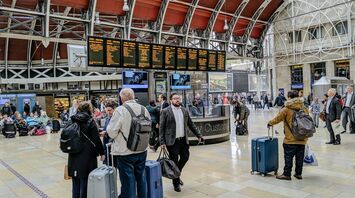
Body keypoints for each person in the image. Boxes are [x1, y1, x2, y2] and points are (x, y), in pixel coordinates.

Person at [107, 88, 151, 198]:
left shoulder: (120, 110)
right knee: (141, 179)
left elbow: (111, 132)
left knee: (128, 182)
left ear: (121, 98)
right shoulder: (144, 109)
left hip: (125, 152)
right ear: (133, 96)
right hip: (142, 149)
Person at [159, 93, 203, 192]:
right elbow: (161, 128)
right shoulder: (165, 111)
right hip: (172, 142)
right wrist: (162, 142)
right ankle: (176, 183)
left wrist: (198, 135)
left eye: (179, 98)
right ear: (171, 100)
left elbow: (191, 124)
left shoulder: (184, 110)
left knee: (185, 157)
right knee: (173, 162)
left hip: (183, 140)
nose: (177, 100)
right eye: (175, 98)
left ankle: (176, 175)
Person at [267, 90, 309, 180]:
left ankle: (287, 174)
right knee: (299, 157)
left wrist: (270, 123)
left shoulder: (286, 109)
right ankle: (298, 174)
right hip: (302, 138)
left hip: (290, 138)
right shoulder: (304, 107)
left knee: (288, 157)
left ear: (289, 97)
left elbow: (277, 119)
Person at [68, 101, 105, 198]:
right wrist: (102, 152)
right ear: (89, 109)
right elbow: (96, 139)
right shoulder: (90, 121)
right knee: (86, 181)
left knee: (76, 181)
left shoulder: (72, 119)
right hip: (87, 156)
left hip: (74, 155)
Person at [100, 99, 117, 166]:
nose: (108, 112)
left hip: (114, 147)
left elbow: (116, 131)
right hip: (107, 146)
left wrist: (106, 132)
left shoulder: (117, 118)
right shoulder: (108, 118)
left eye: (110, 110)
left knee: (114, 166)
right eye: (107, 110)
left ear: (114, 109)